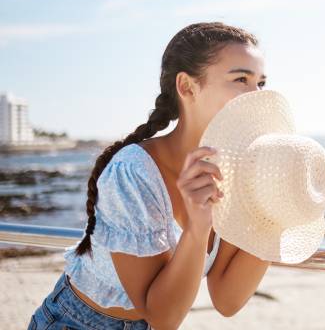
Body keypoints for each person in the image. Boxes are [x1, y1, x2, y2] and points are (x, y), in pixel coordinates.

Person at [28, 22, 271, 329]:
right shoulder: (133, 172)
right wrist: (198, 228)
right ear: (187, 87)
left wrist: (273, 213)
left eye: (261, 83)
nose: (257, 95)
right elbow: (163, 316)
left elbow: (227, 299)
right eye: (241, 79)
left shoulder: (235, 172)